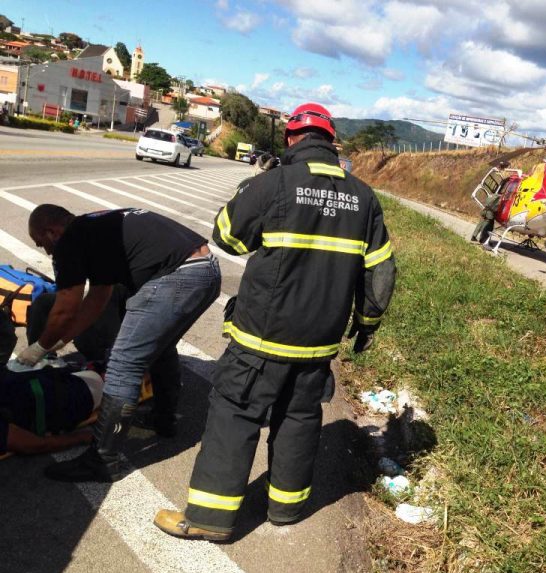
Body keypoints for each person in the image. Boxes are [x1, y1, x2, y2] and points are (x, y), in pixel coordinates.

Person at [154, 102, 396, 541]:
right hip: (319, 342)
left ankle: (210, 517)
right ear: (331, 140)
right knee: (300, 418)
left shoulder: (274, 184)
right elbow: (380, 270)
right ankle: (285, 509)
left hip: (262, 338)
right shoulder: (364, 197)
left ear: (290, 139)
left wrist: (254, 185)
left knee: (235, 412)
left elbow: (225, 236)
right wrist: (367, 322)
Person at [17, 205, 221, 482]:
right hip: (206, 270)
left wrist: (39, 347)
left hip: (179, 276)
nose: (46, 252)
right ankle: (164, 419)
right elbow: (97, 299)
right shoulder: (95, 226)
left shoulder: (70, 240)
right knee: (161, 348)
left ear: (52, 232)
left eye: (42, 243)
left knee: (123, 363)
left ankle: (101, 459)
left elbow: (66, 305)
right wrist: (60, 341)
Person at [0, 368, 104, 456]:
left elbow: (36, 445)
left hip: (74, 392)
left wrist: (80, 437)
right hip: (66, 389)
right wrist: (79, 437)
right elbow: (35, 444)